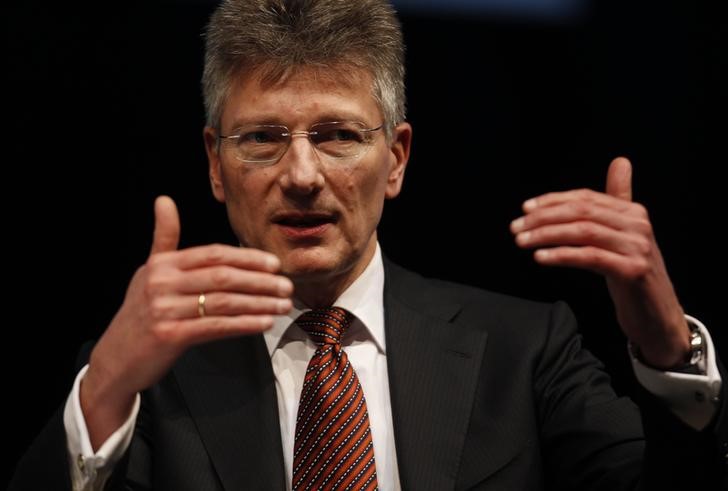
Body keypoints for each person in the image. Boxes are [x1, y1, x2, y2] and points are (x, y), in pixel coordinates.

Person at [10, 0, 726, 489]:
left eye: (337, 135)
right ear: (213, 165)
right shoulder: (147, 374)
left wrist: (668, 351)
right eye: (262, 138)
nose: (300, 175)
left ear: (397, 158)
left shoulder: (524, 348)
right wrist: (106, 383)